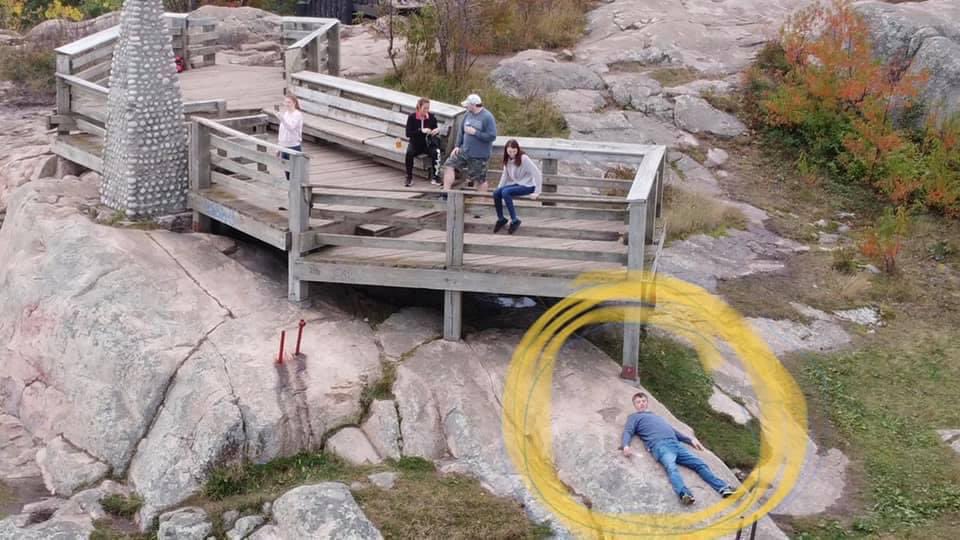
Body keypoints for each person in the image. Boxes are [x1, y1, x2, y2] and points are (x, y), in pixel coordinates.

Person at [620, 392, 735, 505]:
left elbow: (673, 431)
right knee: (671, 467)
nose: (641, 404)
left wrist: (690, 440)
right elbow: (628, 431)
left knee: (699, 464)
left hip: (676, 444)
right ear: (634, 405)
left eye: (643, 401)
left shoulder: (657, 416)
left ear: (647, 402)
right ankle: (684, 494)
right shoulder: (634, 417)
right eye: (638, 402)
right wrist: (626, 445)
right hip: (660, 445)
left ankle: (723, 488)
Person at [440, 93, 497, 192]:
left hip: (479, 155)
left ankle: (481, 201)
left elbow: (492, 136)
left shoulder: (487, 117)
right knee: (449, 165)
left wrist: (476, 133)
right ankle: (446, 192)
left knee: (479, 179)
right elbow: (461, 131)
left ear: (473, 105)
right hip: (464, 150)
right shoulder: (467, 114)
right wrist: (457, 146)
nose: (466, 106)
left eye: (467, 105)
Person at [493, 139, 542, 234]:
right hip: (519, 184)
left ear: (518, 150)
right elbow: (505, 176)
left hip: (529, 185)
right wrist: (499, 187)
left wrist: (537, 192)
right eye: (510, 151)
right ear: (506, 150)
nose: (512, 154)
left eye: (514, 151)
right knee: (496, 193)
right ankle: (501, 218)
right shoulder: (507, 159)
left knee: (506, 192)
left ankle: (515, 220)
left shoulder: (524, 158)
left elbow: (537, 173)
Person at [404, 97, 441, 187]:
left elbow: (435, 129)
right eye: (424, 108)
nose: (426, 110)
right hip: (415, 143)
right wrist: (421, 131)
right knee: (409, 153)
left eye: (428, 108)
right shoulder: (412, 117)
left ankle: (435, 177)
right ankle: (409, 177)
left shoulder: (431, 117)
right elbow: (408, 134)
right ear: (419, 107)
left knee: (437, 152)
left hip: (428, 144)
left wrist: (436, 131)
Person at [277, 95, 303, 181]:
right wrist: (279, 147)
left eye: (289, 102)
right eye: (286, 102)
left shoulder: (297, 114)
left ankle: (297, 193)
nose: (287, 104)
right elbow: (282, 131)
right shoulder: (286, 113)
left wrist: (282, 119)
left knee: (295, 173)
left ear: (294, 103)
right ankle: (290, 192)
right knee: (287, 173)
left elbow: (291, 127)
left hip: (294, 146)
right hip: (284, 146)